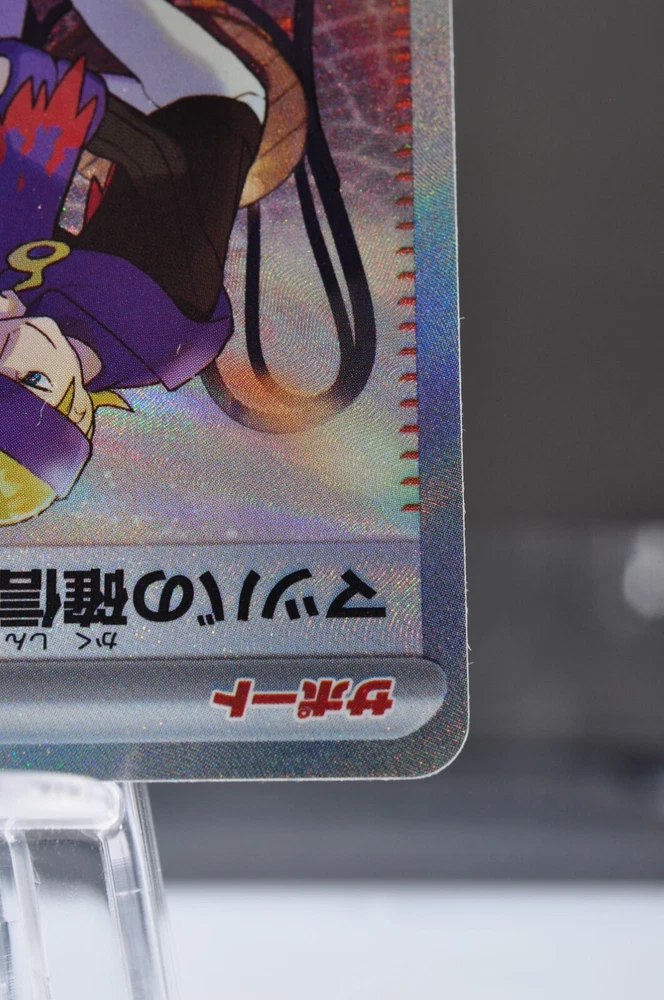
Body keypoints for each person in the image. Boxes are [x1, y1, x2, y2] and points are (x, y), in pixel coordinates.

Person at [0, 0, 266, 525]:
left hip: (121, 132)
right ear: (80, 409)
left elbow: (31, 237)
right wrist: (44, 97)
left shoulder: (26, 325)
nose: (15, 345)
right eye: (32, 379)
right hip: (200, 107)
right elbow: (159, 160)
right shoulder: (161, 329)